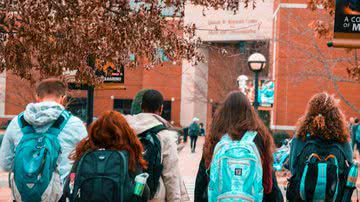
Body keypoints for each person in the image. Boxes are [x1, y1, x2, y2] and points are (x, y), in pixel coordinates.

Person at [0, 78, 87, 202]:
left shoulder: (17, 123)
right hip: (60, 196)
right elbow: (84, 163)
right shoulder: (75, 124)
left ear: (37, 97)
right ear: (63, 98)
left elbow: (5, 164)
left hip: (23, 196)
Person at [195, 91, 278, 202]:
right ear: (249, 112)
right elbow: (269, 185)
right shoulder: (259, 137)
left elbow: (202, 181)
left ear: (223, 113)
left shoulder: (216, 136)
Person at [64, 111, 149, 202]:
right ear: (125, 133)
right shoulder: (129, 156)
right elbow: (144, 192)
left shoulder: (85, 155)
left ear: (94, 132)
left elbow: (68, 187)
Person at [287, 92, 354, 201]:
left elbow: (293, 167)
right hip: (334, 197)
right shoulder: (343, 140)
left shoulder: (300, 137)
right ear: (336, 115)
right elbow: (349, 168)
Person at [126, 89, 189, 202]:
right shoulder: (164, 135)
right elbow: (171, 175)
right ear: (161, 108)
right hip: (153, 195)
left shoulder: (126, 130)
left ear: (141, 106)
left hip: (128, 193)